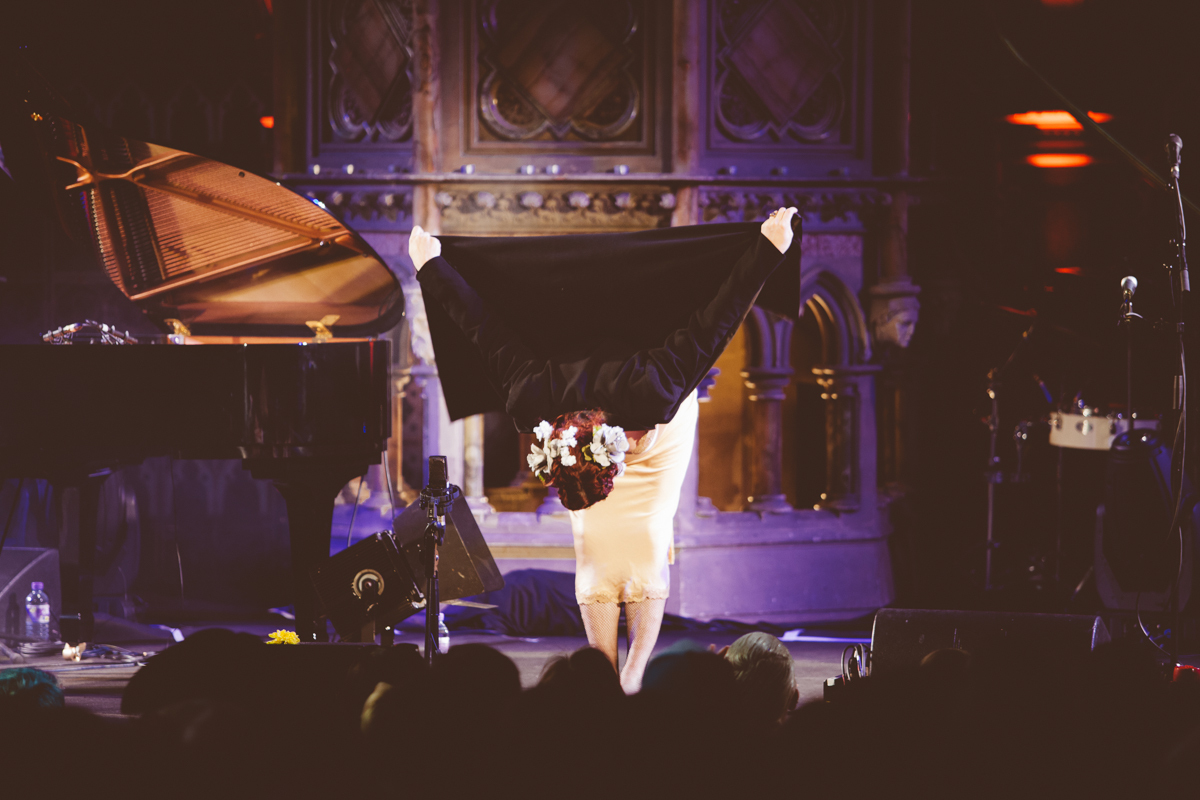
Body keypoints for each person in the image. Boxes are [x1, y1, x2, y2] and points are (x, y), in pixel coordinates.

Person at [409, 208, 799, 692]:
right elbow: (482, 329)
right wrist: (430, 266)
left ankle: (633, 672)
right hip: (603, 426)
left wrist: (768, 248)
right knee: (595, 549)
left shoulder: (651, 390)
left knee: (648, 536)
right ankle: (602, 670)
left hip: (661, 437)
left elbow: (715, 322)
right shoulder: (539, 399)